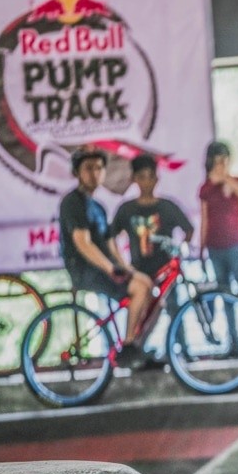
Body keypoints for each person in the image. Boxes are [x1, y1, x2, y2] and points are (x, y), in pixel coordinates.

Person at [58, 147, 152, 368]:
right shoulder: (73, 202)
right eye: (88, 168)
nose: (94, 173)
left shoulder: (98, 207)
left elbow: (113, 247)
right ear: (77, 172)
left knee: (148, 287)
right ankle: (128, 348)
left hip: (104, 268)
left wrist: (128, 269)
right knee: (139, 289)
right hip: (86, 270)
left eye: (99, 168)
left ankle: (137, 346)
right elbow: (83, 243)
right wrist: (110, 269)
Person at [111, 154, 195, 364]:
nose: (146, 182)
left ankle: (182, 351)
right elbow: (111, 238)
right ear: (134, 179)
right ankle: (134, 348)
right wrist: (124, 266)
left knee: (174, 307)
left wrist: (180, 250)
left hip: (165, 269)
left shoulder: (167, 206)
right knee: (143, 311)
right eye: (142, 176)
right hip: (140, 270)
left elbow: (188, 229)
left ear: (157, 179)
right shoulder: (126, 209)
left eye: (150, 176)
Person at [199, 141, 238, 308]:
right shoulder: (206, 188)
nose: (221, 166)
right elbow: (205, 219)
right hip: (215, 246)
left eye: (224, 161)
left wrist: (225, 178)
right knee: (223, 291)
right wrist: (201, 247)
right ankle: (232, 333)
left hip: (236, 243)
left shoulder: (236, 180)